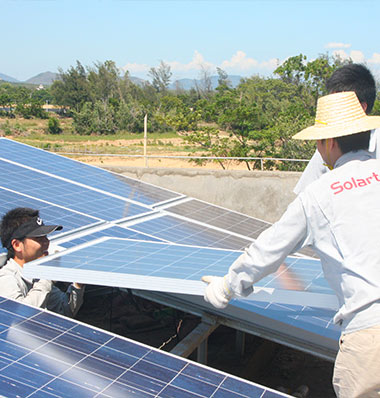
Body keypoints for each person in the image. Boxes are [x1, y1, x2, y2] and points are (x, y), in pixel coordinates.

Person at [203, 91, 380, 397]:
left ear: (330, 142)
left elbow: (269, 249)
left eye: (318, 140)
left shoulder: (320, 194)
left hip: (370, 336)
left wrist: (227, 287)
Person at [294, 63, 378, 194]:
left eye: (339, 104)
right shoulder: (327, 147)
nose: (332, 110)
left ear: (362, 108)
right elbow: (304, 195)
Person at [0, 207, 84, 317]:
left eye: (46, 237)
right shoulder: (6, 279)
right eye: (39, 239)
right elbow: (21, 316)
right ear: (17, 245)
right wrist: (47, 276)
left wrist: (78, 285)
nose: (46, 242)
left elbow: (63, 309)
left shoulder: (36, 276)